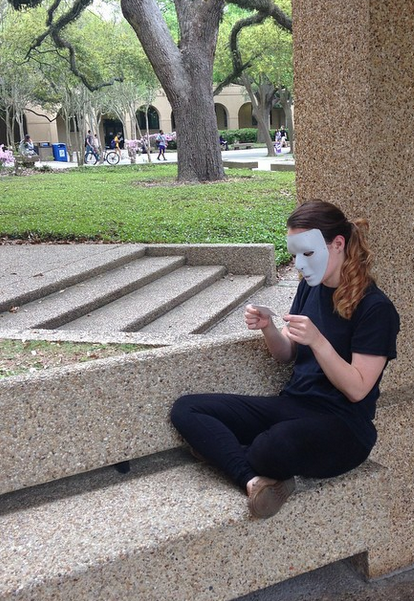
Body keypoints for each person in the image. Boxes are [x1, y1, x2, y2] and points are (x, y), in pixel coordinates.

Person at [171, 200, 400, 519]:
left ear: (337, 244)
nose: (300, 265)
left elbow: (358, 389)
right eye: (294, 256)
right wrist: (269, 328)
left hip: (344, 429)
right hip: (295, 406)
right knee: (187, 408)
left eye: (308, 253)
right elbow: (286, 354)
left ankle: (225, 453)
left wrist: (318, 341)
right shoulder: (310, 287)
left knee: (273, 446)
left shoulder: (375, 309)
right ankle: (252, 480)